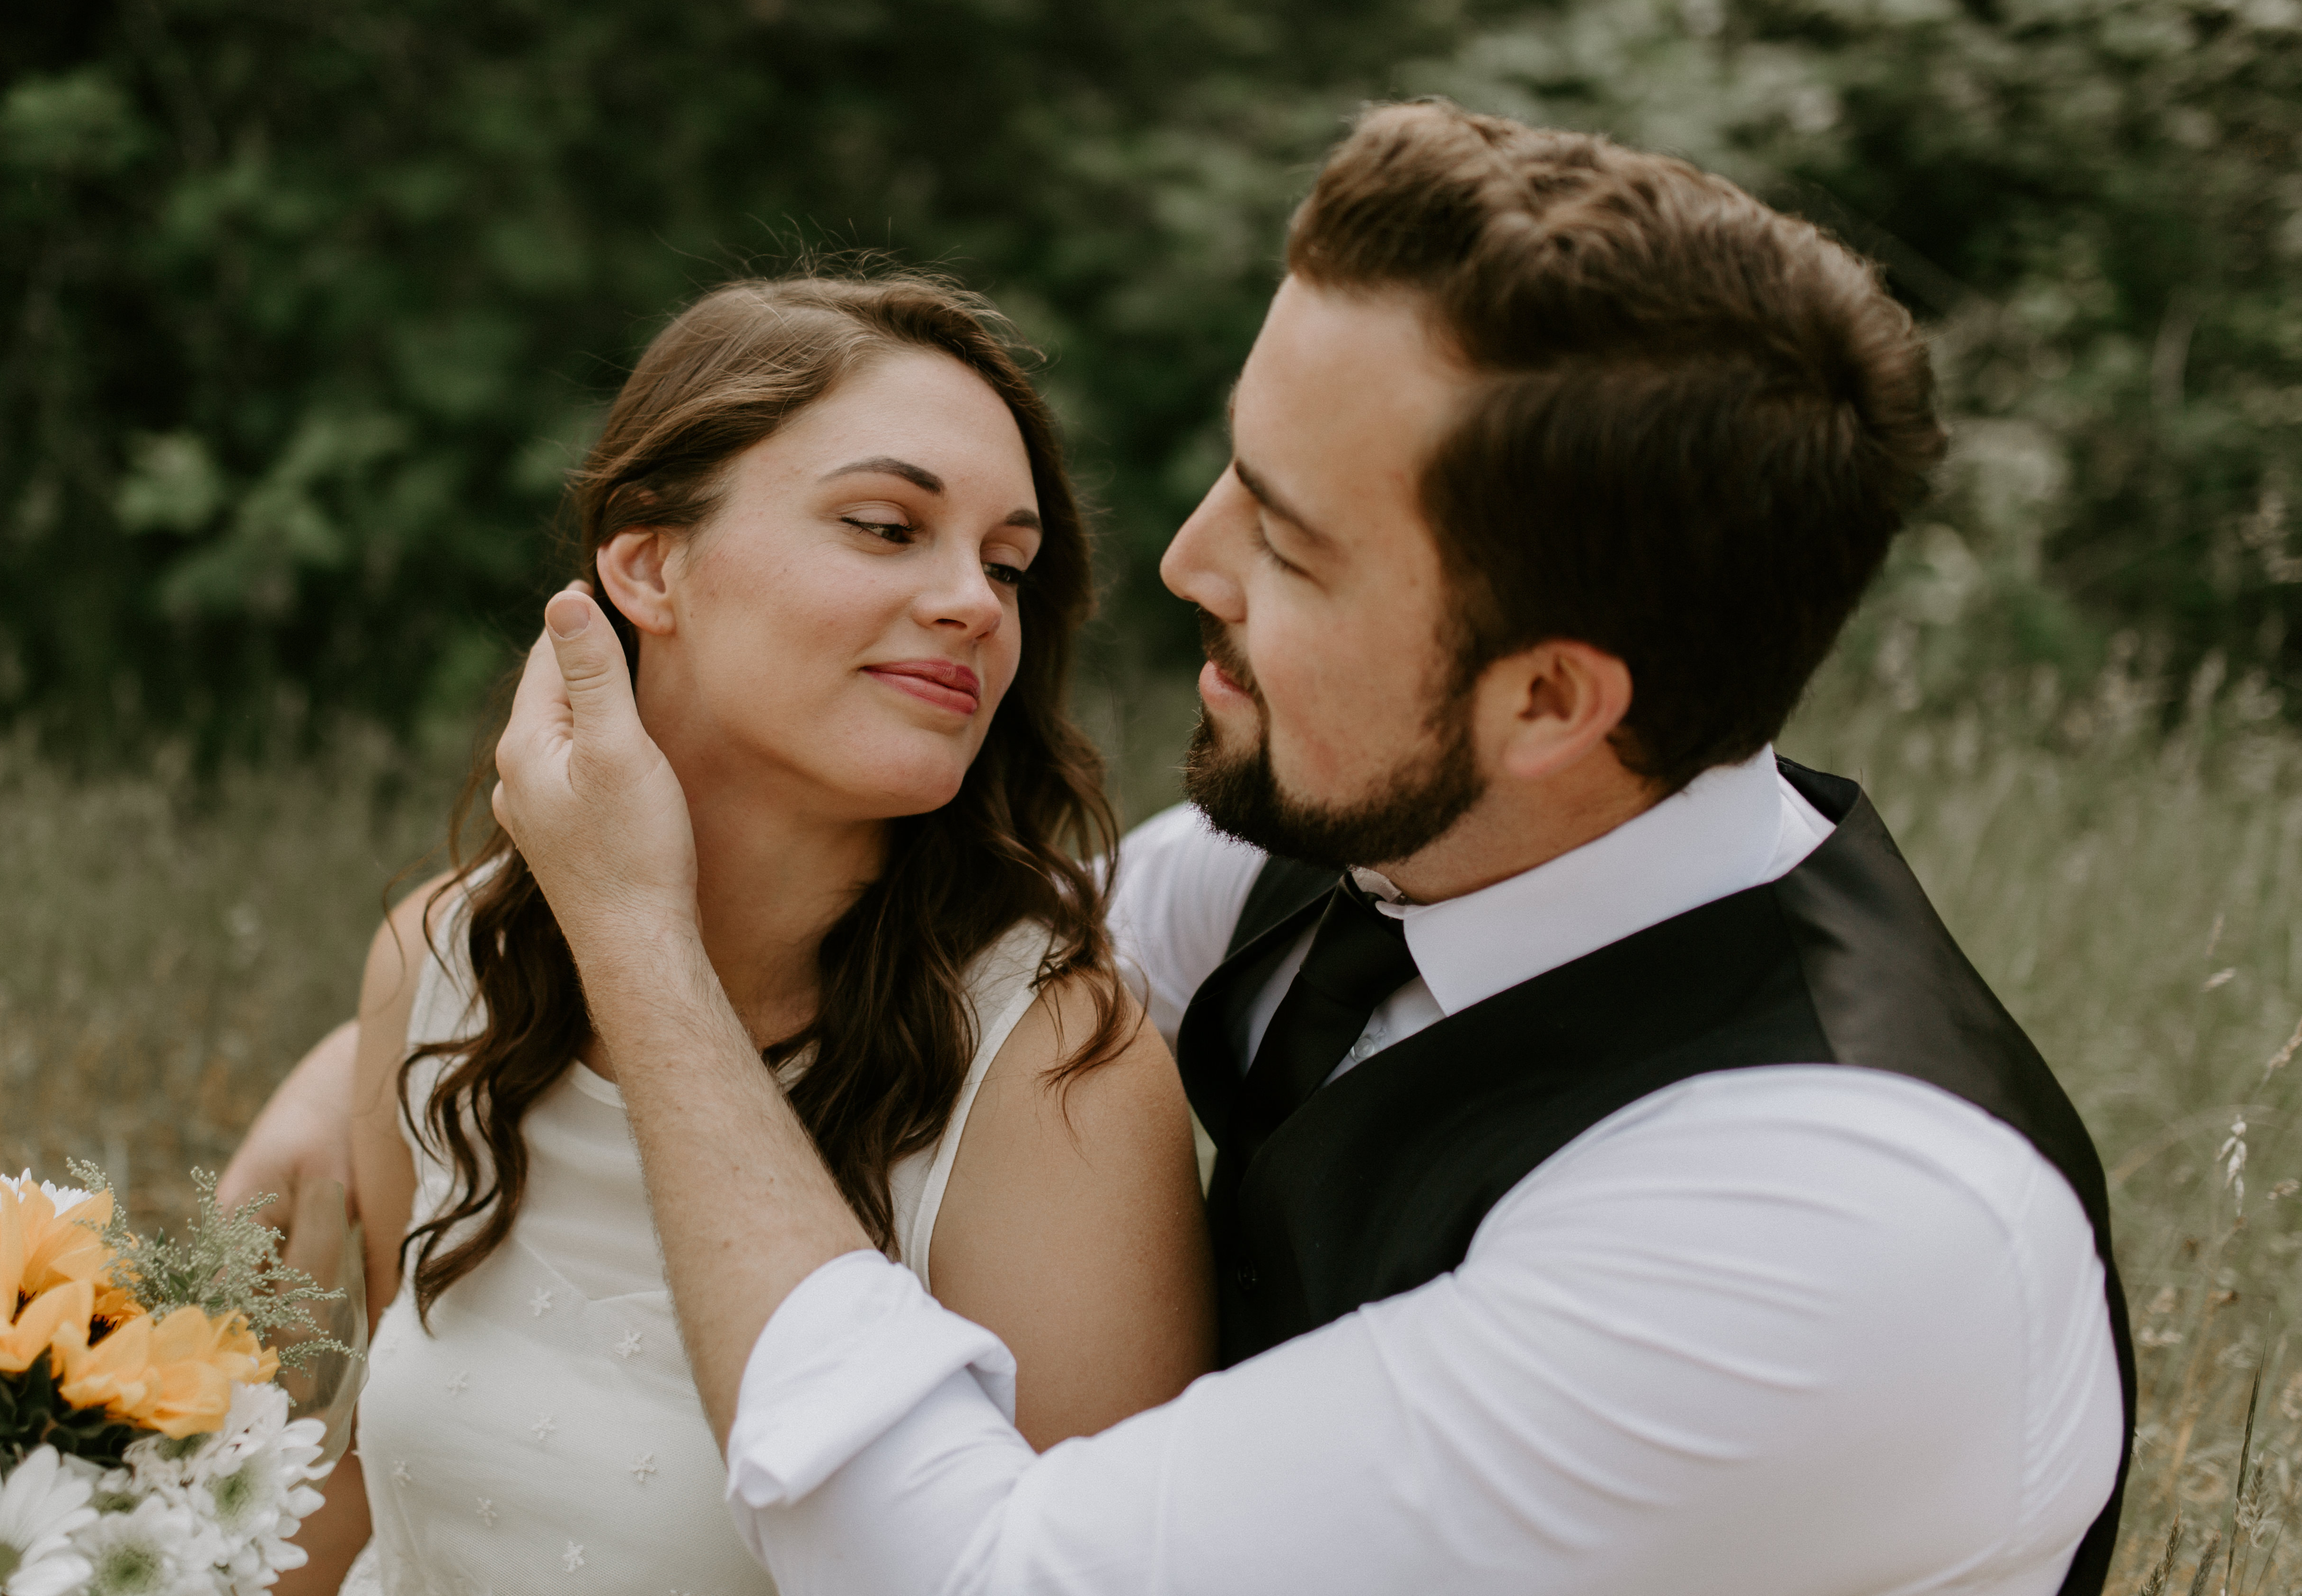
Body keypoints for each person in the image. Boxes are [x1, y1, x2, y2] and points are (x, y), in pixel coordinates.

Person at [473, 103, 2136, 1595]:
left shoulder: (1833, 1235)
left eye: (1293, 542)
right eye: (1234, 475)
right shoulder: (1335, 869)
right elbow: (924, 954)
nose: (1190, 560)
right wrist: (438, 1007)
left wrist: (633, 944)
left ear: (1547, 700)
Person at [242, 271, 1215, 1596]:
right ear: (649, 563)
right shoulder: (442, 964)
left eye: (1008, 564)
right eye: (887, 526)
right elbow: (377, 1488)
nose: (977, 606)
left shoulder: (1056, 1071)